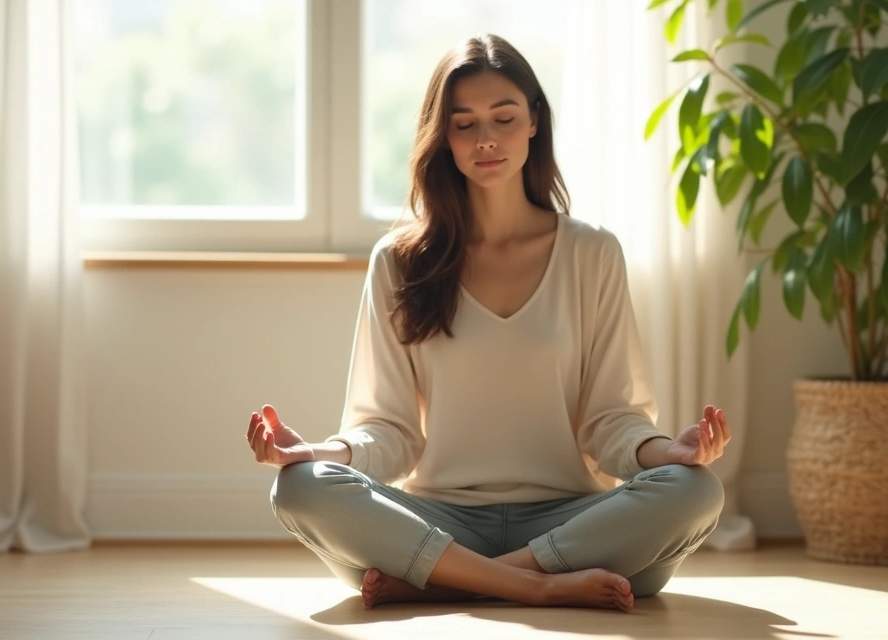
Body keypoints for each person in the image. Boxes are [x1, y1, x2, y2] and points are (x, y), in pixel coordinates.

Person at [246, 34, 730, 613]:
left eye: (503, 117)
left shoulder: (592, 253)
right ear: (442, 136)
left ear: (534, 122)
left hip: (565, 518)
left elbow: (611, 421)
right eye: (464, 124)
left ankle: (452, 582)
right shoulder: (399, 261)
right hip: (440, 518)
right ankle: (537, 584)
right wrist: (323, 453)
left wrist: (663, 453)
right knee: (300, 487)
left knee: (695, 490)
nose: (487, 140)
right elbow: (389, 432)